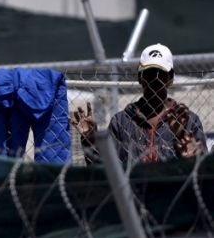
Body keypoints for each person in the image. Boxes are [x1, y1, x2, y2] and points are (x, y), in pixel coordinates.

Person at [72, 43, 205, 164]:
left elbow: (202, 172)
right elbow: (107, 171)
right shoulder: (121, 121)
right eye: (149, 73)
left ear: (171, 79)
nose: (155, 78)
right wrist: (91, 141)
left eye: (161, 73)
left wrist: (191, 156)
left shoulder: (189, 121)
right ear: (139, 78)